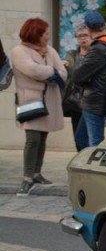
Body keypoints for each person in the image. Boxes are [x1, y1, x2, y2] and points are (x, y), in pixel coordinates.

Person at [11, 17, 67, 196]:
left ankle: (37, 173)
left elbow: (64, 73)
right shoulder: (19, 51)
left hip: (49, 100)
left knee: (42, 137)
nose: (48, 37)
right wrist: (53, 72)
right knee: (32, 138)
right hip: (31, 100)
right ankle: (27, 177)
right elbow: (32, 70)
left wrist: (55, 72)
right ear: (36, 34)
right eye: (45, 34)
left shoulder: (50, 51)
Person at [73, 11, 106, 150]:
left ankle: (94, 170)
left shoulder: (98, 50)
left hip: (93, 102)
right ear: (105, 26)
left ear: (89, 30)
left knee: (95, 144)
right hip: (101, 100)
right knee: (81, 138)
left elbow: (77, 77)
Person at [62, 24, 91, 148]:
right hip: (75, 103)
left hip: (92, 102)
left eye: (85, 35)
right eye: (79, 36)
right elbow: (71, 72)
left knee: (92, 137)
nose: (83, 39)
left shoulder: (97, 53)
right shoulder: (72, 54)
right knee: (78, 139)